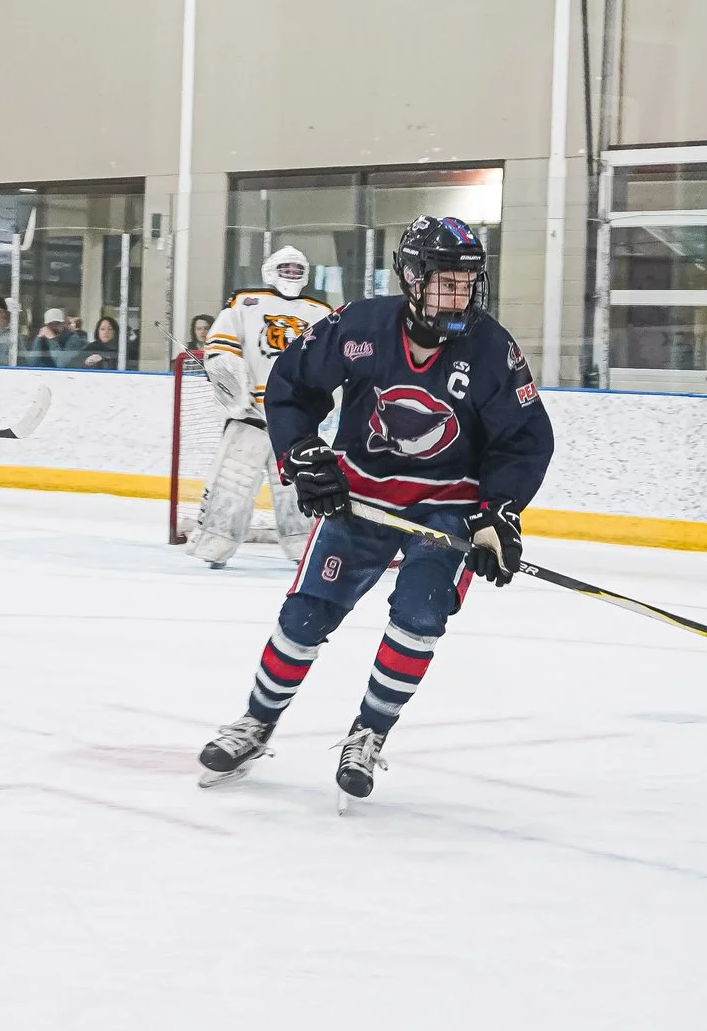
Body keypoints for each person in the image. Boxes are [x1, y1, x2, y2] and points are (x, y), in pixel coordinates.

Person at [195, 217, 553, 803]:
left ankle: (369, 734)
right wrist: (302, 451)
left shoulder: (493, 349)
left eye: (467, 282)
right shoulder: (359, 326)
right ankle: (255, 725)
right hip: (360, 499)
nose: (458, 294)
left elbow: (523, 440)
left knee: (420, 615)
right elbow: (293, 386)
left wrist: (500, 513)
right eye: (445, 282)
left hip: (445, 508)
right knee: (305, 616)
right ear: (411, 278)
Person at [188, 247, 336, 568]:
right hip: (251, 415)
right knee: (231, 483)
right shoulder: (246, 302)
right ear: (270, 270)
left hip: (295, 418)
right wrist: (232, 385)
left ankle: (303, 546)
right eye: (286, 268)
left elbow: (332, 361)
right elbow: (220, 348)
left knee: (298, 486)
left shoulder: (320, 311)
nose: (292, 274)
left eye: (297, 269)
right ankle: (215, 544)